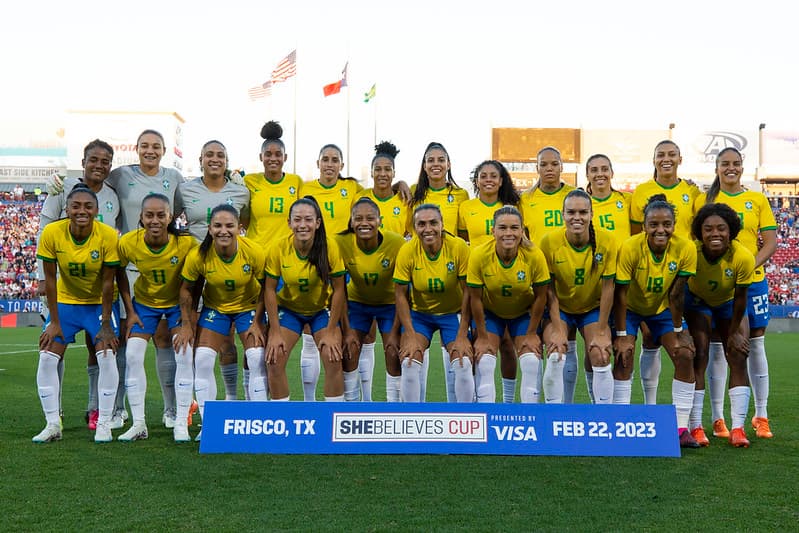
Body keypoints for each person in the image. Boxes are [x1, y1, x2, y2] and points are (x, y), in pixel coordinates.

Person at [51, 130, 188, 430]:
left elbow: (196, 197)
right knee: (119, 343)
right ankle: (111, 410)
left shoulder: (174, 178)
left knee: (162, 338)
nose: (150, 151)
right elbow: (88, 180)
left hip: (154, 267)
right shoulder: (119, 176)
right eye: (144, 146)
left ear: (164, 150)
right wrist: (57, 183)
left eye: (155, 146)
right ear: (136, 150)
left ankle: (171, 409)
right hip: (116, 270)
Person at [38, 139, 121, 431]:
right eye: (93, 160)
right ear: (83, 161)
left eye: (105, 161)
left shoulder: (113, 195)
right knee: (52, 342)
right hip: (64, 288)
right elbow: (44, 227)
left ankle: (96, 410)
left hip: (98, 292)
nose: (98, 166)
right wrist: (39, 276)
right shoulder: (62, 187)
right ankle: (54, 413)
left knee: (97, 347)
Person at [696, 147, 777, 439]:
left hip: (751, 281)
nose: (730, 168)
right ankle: (718, 418)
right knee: (717, 347)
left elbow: (770, 242)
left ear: (742, 168)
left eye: (736, 164)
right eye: (725, 164)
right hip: (715, 284)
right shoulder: (705, 199)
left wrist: (746, 267)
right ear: (717, 168)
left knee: (754, 344)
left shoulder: (756, 199)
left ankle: (762, 415)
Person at [175, 204, 266, 442]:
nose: (223, 231)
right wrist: (187, 324)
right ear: (209, 229)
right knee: (203, 359)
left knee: (256, 356)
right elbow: (186, 290)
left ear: (240, 228)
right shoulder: (199, 255)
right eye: (217, 226)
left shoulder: (253, 251)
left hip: (248, 308)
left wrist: (258, 321)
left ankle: (260, 421)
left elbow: (268, 287)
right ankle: (211, 424)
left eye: (229, 225)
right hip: (216, 310)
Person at [613, 194, 699, 447]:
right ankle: (621, 422)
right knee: (624, 354)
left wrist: (678, 329)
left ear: (674, 224)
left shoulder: (685, 248)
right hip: (630, 309)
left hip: (662, 308)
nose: (660, 230)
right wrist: (620, 335)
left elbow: (677, 293)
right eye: (654, 224)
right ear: (644, 226)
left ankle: (681, 428)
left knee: (684, 354)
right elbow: (621, 294)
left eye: (666, 224)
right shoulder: (630, 247)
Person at [174, 140, 250, 403]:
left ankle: (230, 400)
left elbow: (246, 224)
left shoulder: (241, 192)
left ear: (227, 161)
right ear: (201, 159)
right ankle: (196, 403)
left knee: (227, 341)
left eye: (220, 155)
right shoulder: (184, 190)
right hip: (195, 271)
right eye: (209, 155)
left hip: (225, 269)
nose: (214, 159)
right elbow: (169, 221)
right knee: (194, 338)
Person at [117, 194, 197, 442]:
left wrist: (187, 322)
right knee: (131, 355)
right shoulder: (129, 243)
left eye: (160, 215)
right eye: (149, 215)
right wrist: (130, 311)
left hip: (176, 305)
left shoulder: (186, 244)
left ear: (170, 216)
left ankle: (181, 421)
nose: (155, 220)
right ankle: (139, 423)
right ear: (140, 217)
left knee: (184, 355)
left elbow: (194, 283)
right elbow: (118, 272)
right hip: (145, 304)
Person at [629, 140, 700, 405]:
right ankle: (651, 406)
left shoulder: (691, 192)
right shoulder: (641, 191)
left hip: (681, 274)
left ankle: (691, 420)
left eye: (671, 154)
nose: (666, 159)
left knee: (690, 347)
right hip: (648, 277)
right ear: (654, 159)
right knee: (649, 338)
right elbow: (637, 235)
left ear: (680, 159)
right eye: (661, 155)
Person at [264, 197, 347, 401]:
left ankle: (331, 417)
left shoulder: (330, 247)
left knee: (333, 356)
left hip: (320, 312)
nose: (303, 225)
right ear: (289, 223)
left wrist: (330, 331)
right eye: (297, 219)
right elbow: (269, 289)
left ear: (317, 223)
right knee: (274, 359)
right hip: (290, 311)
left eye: (308, 220)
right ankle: (281, 421)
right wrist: (274, 331)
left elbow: (339, 289)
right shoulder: (278, 248)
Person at [685, 203, 755, 447]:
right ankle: (696, 427)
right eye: (708, 229)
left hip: (728, 305)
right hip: (696, 303)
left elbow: (740, 298)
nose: (715, 233)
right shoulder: (690, 252)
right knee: (699, 354)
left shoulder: (743, 257)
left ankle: (737, 428)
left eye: (721, 228)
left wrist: (735, 331)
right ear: (699, 232)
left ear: (731, 231)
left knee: (738, 354)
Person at [296, 144, 362, 401]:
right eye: (326, 159)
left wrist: (400, 182)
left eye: (335, 160)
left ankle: (352, 400)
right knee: (310, 334)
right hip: (310, 262)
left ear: (342, 166)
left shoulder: (351, 189)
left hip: (340, 264)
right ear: (318, 163)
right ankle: (310, 401)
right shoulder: (305, 188)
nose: (330, 164)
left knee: (349, 331)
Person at [539, 190, 617, 404]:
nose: (577, 217)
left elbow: (609, 287)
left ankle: (602, 417)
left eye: (583, 212)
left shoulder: (607, 241)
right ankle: (557, 415)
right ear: (562, 214)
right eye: (571, 212)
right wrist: (556, 328)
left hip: (591, 308)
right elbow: (549, 289)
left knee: (601, 353)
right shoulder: (549, 242)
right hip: (561, 308)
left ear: (592, 214)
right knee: (556, 353)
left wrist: (601, 330)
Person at [467, 206, 550, 403]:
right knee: (485, 359)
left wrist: (531, 334)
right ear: (493, 231)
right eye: (502, 228)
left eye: (514, 228)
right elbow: (475, 298)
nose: (508, 233)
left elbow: (541, 296)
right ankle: (487, 415)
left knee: (531, 360)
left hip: (522, 314)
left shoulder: (534, 255)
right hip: (491, 313)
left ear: (522, 231)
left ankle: (528, 416)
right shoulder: (479, 255)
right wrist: (482, 336)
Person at [393, 203, 473, 402]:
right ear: (414, 228)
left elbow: (469, 293)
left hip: (453, 314)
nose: (427, 229)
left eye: (433, 223)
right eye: (421, 224)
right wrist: (410, 334)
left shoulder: (458, 247)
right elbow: (400, 295)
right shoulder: (407, 251)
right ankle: (412, 421)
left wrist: (463, 334)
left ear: (442, 224)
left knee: (463, 363)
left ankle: (463, 420)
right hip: (420, 315)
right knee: (410, 362)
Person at [458, 160, 523, 402]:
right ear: (476, 180)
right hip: (476, 281)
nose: (488, 179)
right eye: (483, 175)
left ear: (502, 180)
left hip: (506, 278)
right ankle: (478, 399)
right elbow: (462, 240)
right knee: (480, 343)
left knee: (507, 344)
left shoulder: (512, 207)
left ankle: (507, 402)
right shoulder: (466, 207)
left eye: (493, 175)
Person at [410, 142, 470, 401]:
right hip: (423, 277)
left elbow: (465, 236)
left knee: (457, 357)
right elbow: (408, 235)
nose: (435, 164)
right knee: (412, 357)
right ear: (424, 166)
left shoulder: (461, 195)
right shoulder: (413, 193)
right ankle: (414, 416)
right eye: (430, 160)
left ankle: (458, 415)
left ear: (448, 164)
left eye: (440, 159)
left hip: (451, 277)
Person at [519, 147, 578, 401]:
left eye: (555, 164)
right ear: (537, 168)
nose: (550, 168)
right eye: (544, 164)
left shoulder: (574, 195)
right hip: (535, 279)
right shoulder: (525, 199)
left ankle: (565, 404)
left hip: (567, 276)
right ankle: (534, 407)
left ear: (562, 167)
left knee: (566, 342)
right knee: (534, 344)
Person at [335, 198, 405, 401]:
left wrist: (394, 332)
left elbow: (403, 292)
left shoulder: (396, 243)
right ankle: (350, 409)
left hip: (390, 305)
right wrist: (347, 331)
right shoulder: (340, 242)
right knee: (349, 350)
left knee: (393, 351)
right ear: (351, 222)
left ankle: (395, 411)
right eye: (358, 219)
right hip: (357, 304)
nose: (364, 223)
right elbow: (339, 289)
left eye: (370, 218)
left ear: (380, 221)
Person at [585, 153, 631, 400]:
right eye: (594, 169)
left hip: (624, 284)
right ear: (587, 175)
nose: (599, 173)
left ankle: (621, 408)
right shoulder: (581, 204)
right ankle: (598, 406)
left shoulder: (627, 201)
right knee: (594, 348)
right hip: (594, 288)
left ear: (612, 173)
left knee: (625, 348)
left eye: (604, 169)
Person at [244, 121, 303, 247]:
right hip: (256, 251)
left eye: (278, 154)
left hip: (285, 253)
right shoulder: (249, 181)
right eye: (268, 154)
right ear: (261, 157)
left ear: (285, 157)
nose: (273, 159)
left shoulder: (296, 182)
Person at [356, 141, 411, 237]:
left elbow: (409, 235)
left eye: (387, 169)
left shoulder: (404, 201)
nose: (382, 174)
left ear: (394, 173)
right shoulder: (359, 198)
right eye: (377, 169)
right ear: (372, 173)